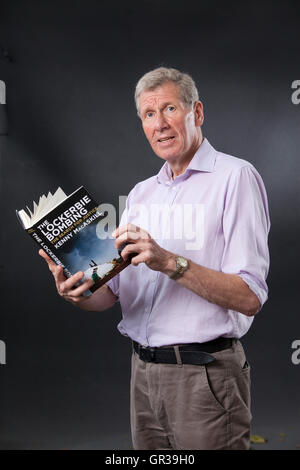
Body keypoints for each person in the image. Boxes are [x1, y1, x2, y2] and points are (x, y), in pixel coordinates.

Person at [39, 67, 270, 450]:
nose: (159, 124)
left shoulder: (236, 177)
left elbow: (250, 296)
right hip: (143, 376)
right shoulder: (142, 194)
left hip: (205, 378)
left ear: (196, 113)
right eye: (149, 115)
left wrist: (169, 263)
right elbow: (108, 295)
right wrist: (75, 291)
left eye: (169, 109)